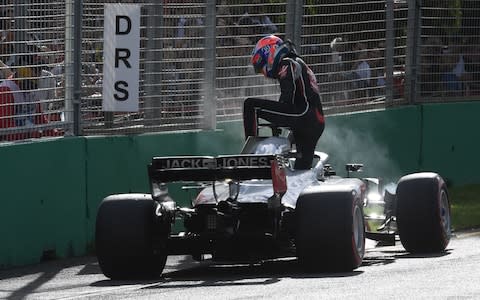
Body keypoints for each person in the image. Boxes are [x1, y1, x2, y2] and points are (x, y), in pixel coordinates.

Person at [243, 35, 325, 170]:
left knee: (251, 105)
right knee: (301, 171)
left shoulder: (287, 63)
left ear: (270, 52)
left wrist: (277, 119)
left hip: (302, 115)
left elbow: (287, 98)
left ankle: (250, 154)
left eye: (262, 66)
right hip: (316, 122)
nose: (264, 73)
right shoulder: (299, 62)